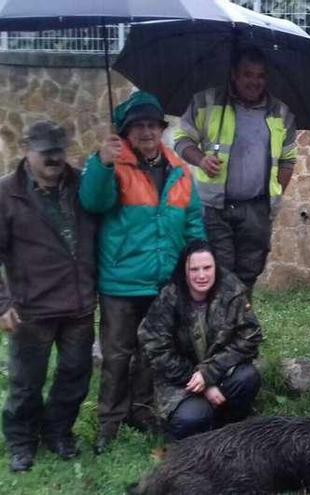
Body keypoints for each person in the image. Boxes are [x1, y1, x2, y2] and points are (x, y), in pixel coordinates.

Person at [79, 91, 205, 453]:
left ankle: (142, 410)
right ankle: (109, 423)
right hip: (121, 283)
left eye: (153, 125)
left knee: (153, 352)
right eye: (139, 126)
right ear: (127, 132)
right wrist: (103, 163)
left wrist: (196, 258)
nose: (148, 132)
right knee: (117, 355)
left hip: (163, 282)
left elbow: (193, 221)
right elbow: (92, 201)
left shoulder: (179, 171)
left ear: (162, 130)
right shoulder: (110, 166)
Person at [0, 121, 98, 472]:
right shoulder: (6, 193)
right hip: (32, 308)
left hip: (79, 304)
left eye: (58, 150)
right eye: (46, 152)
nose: (54, 158)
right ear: (27, 150)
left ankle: (58, 432)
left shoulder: (83, 184)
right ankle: (21, 442)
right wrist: (2, 303)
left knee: (75, 373)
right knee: (26, 382)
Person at [174, 46, 297, 291]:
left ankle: (240, 323)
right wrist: (200, 159)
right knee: (219, 271)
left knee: (249, 272)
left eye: (260, 76)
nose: (255, 82)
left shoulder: (281, 112)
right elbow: (181, 139)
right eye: (248, 74)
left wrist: (273, 195)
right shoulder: (207, 101)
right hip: (214, 207)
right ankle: (218, 326)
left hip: (256, 210)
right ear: (234, 74)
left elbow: (287, 160)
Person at [138, 240, 263, 440]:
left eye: (207, 267)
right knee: (192, 418)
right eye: (194, 269)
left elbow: (250, 335)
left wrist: (210, 372)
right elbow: (155, 348)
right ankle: (196, 441)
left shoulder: (231, 290)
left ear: (216, 267)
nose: (202, 275)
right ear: (184, 272)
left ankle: (231, 430)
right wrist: (201, 382)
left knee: (247, 377)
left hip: (220, 371)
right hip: (180, 380)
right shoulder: (169, 298)